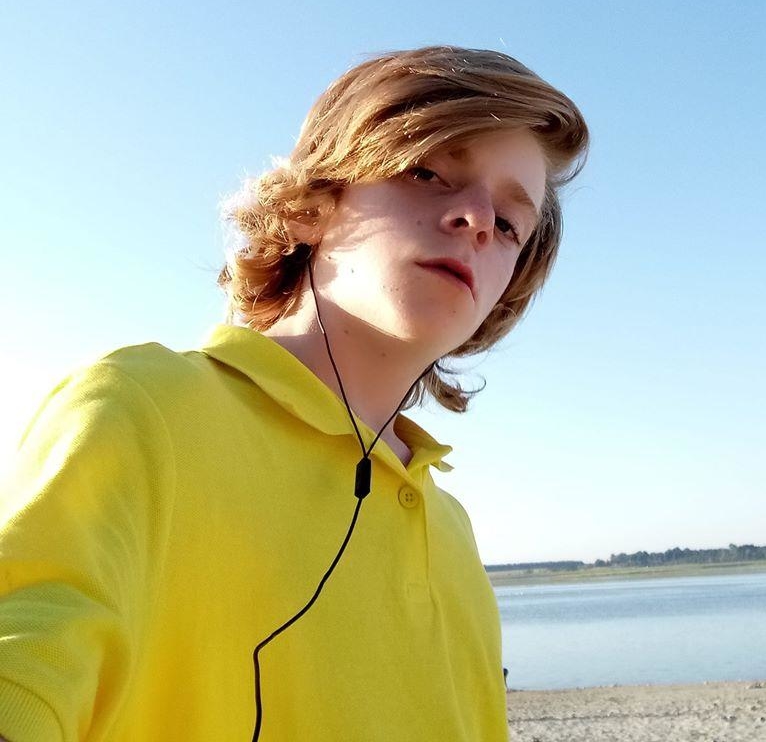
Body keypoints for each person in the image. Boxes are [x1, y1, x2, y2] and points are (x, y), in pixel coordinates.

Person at [0, 46, 588, 741]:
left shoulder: (452, 528)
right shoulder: (140, 409)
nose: (478, 220)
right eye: (426, 172)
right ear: (312, 206)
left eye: (511, 224)